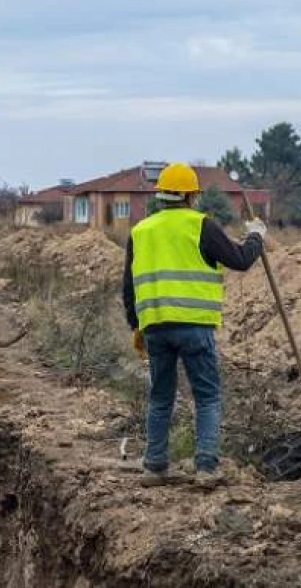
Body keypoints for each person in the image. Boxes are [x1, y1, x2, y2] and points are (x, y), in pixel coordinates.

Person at [122, 162, 267, 488]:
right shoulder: (201, 225)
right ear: (191, 195)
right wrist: (256, 236)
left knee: (160, 397)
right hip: (194, 327)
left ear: (161, 195)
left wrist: (136, 325)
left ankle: (155, 466)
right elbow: (241, 259)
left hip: (156, 325)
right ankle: (205, 467)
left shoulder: (140, 231)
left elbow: (129, 286)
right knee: (207, 396)